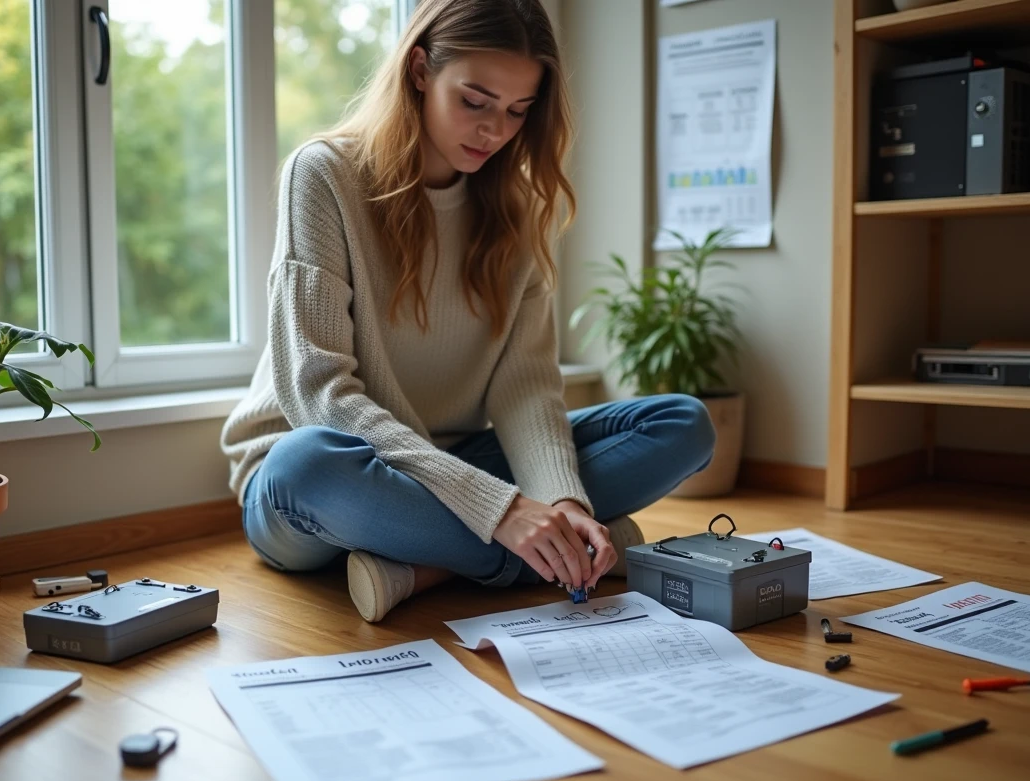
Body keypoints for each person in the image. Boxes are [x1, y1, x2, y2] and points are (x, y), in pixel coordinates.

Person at [221, 0, 715, 622]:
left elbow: (526, 387)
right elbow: (318, 394)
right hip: (328, 484)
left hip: (456, 466)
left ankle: (432, 564)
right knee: (305, 463)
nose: (494, 131)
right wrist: (502, 511)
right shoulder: (322, 176)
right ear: (421, 69)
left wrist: (561, 500)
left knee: (682, 423)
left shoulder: (517, 206)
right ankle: (545, 558)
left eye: (517, 111)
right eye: (475, 101)